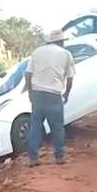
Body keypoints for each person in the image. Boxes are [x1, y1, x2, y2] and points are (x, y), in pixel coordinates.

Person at [25, 30, 75, 167]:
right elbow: (70, 78)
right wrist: (67, 94)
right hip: (54, 95)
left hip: (38, 94)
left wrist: (30, 92)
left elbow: (28, 74)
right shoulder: (66, 54)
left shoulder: (37, 52)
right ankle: (59, 157)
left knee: (35, 127)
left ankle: (33, 158)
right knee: (57, 127)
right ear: (61, 41)